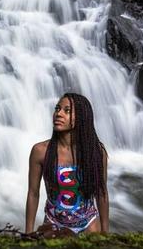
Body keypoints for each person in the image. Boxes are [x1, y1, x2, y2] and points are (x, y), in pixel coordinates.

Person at [25, 93, 109, 236]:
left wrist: (106, 233)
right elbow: (33, 193)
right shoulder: (40, 151)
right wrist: (28, 232)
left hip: (89, 224)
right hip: (53, 224)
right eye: (57, 109)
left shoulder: (95, 152)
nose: (58, 114)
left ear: (81, 117)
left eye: (67, 110)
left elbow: (101, 193)